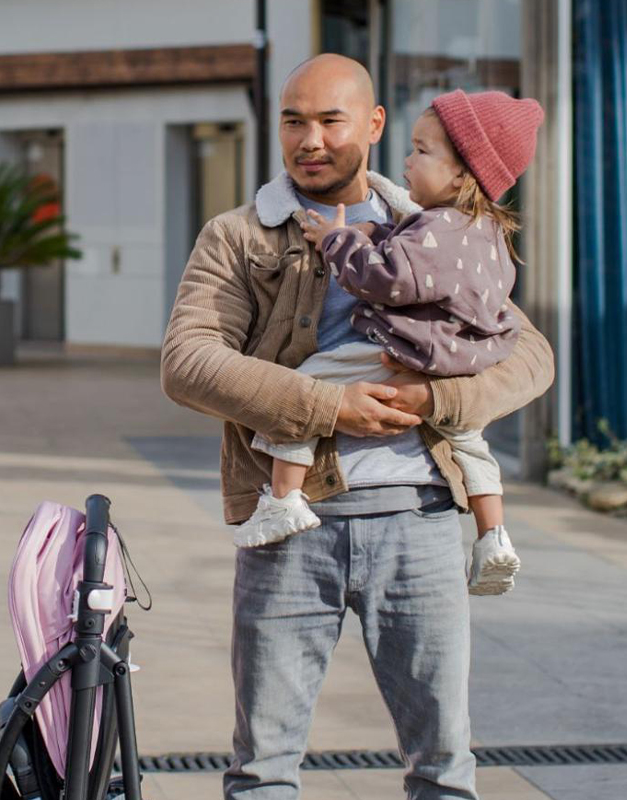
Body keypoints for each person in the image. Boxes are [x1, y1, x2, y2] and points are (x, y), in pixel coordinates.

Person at [161, 53, 554, 800]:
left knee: (444, 768)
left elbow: (531, 355)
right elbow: (186, 362)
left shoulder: (435, 227)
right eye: (293, 121)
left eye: (330, 121)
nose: (310, 140)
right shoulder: (240, 236)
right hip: (288, 533)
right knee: (262, 771)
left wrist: (436, 403)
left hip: (422, 523)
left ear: (372, 125)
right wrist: (327, 407)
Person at [234, 89, 544, 598]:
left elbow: (388, 279)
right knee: (472, 441)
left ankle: (283, 500)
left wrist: (338, 241)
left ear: (464, 174)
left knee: (305, 386)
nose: (407, 159)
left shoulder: (437, 227)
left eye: (422, 151)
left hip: (405, 352)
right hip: (458, 359)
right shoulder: (486, 232)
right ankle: (493, 536)